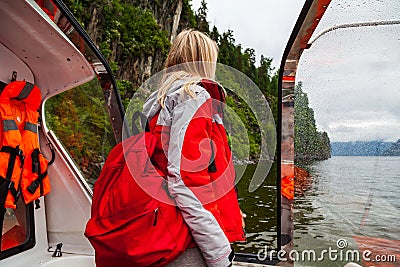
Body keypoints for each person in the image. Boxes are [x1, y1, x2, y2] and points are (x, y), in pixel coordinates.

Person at [142, 29, 245, 266]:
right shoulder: (192, 96)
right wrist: (218, 252)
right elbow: (186, 179)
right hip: (187, 239)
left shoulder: (157, 104)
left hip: (162, 227)